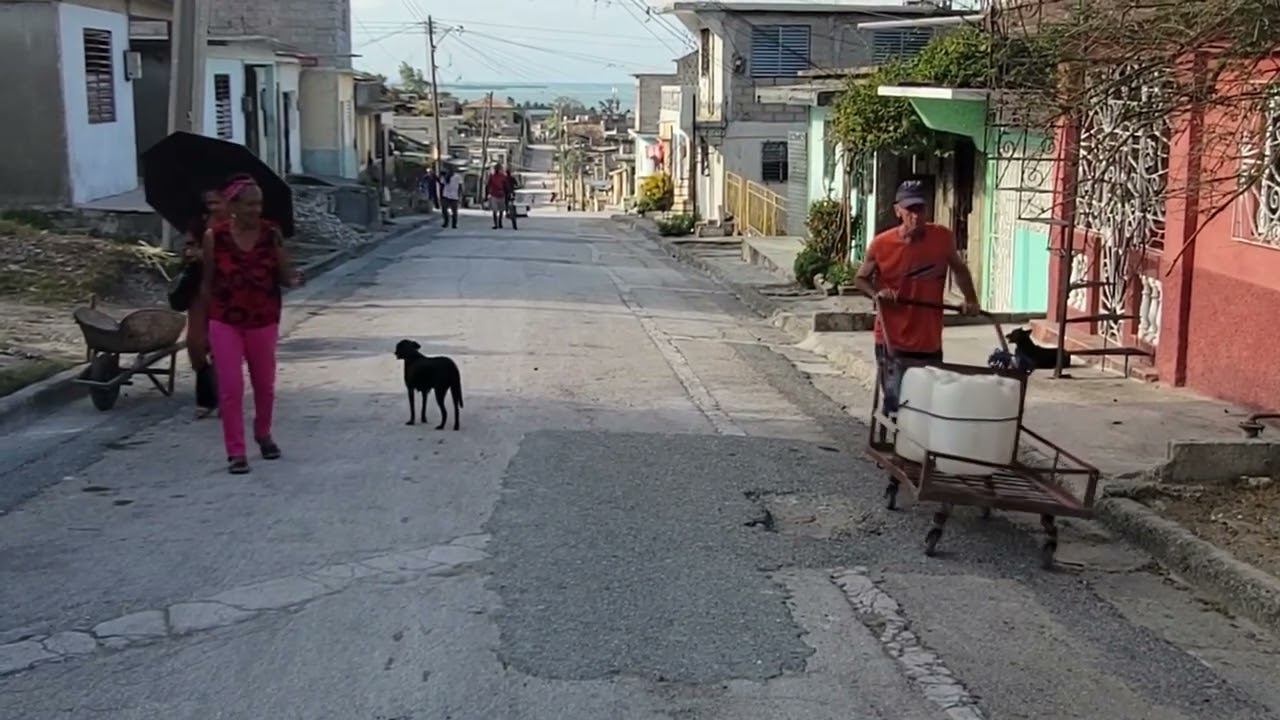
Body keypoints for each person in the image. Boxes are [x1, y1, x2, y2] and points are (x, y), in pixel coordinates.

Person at [200, 175, 304, 474]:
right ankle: (236, 451)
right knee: (231, 387)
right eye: (249, 204)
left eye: (259, 204)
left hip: (262, 318)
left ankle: (263, 433)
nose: (255, 210)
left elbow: (283, 274)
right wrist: (206, 327)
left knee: (264, 384)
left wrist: (293, 278)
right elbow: (207, 283)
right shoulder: (214, 237)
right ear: (233, 206)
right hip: (224, 319)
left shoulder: (271, 233)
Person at [853, 179, 981, 414]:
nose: (916, 216)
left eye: (920, 209)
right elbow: (860, 278)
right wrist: (877, 294)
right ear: (898, 211)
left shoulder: (942, 238)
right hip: (892, 338)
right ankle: (895, 431)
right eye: (910, 209)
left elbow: (959, 269)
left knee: (927, 404)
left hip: (928, 338)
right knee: (897, 403)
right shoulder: (881, 244)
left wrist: (971, 300)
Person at [183, 181, 232, 419]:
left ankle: (222, 398)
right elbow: (187, 248)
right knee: (195, 343)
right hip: (199, 288)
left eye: (217, 202)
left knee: (222, 346)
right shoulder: (198, 223)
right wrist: (190, 252)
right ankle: (205, 395)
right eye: (208, 203)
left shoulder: (237, 227)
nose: (212, 208)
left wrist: (208, 256)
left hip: (227, 290)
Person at [486, 163, 508, 229]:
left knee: (501, 210)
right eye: (496, 168)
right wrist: (488, 193)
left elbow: (506, 185)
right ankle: (496, 224)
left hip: (501, 194)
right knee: (495, 210)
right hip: (494, 195)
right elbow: (488, 185)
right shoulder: (492, 176)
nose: (497, 170)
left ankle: (500, 223)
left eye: (498, 168)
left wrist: (506, 192)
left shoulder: (503, 176)